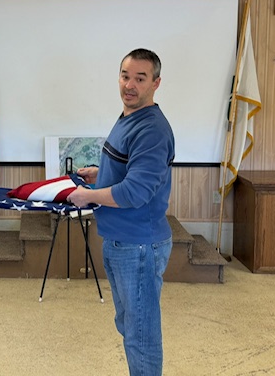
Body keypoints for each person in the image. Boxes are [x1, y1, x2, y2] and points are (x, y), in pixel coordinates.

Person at [66, 48, 175, 376]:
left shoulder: (152, 129)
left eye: (140, 79)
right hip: (120, 241)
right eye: (125, 76)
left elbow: (136, 192)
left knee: (140, 336)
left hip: (139, 246)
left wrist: (87, 196)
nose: (130, 85)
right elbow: (130, 174)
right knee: (129, 326)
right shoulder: (129, 116)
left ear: (156, 83)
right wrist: (101, 175)